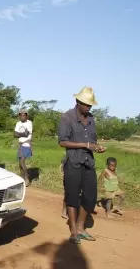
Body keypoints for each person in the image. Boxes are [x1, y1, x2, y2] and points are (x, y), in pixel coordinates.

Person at [58, 86, 106, 244]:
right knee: (72, 196)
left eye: (90, 105)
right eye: (86, 104)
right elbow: (62, 142)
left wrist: (96, 147)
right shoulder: (67, 117)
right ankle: (73, 232)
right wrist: (86, 145)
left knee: (90, 196)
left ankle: (80, 227)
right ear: (78, 102)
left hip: (88, 163)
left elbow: (92, 140)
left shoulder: (91, 118)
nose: (89, 107)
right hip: (73, 161)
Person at [14, 109, 33, 186]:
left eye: (24, 115)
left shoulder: (29, 123)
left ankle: (27, 178)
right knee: (20, 164)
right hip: (20, 145)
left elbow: (26, 134)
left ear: (26, 116)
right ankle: (22, 179)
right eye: (20, 115)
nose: (22, 116)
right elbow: (14, 134)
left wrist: (19, 134)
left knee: (22, 162)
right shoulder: (18, 123)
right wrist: (22, 134)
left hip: (26, 144)